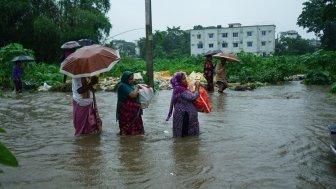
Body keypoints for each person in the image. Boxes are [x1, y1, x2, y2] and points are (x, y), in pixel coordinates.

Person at [166, 72, 201, 137]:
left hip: (182, 114)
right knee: (185, 134)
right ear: (179, 80)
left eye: (185, 78)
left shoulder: (178, 89)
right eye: (183, 79)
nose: (185, 80)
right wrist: (197, 88)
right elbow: (192, 97)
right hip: (184, 115)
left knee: (183, 134)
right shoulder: (180, 89)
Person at [116, 71, 144, 135]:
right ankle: (126, 141)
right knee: (127, 127)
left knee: (135, 129)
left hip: (132, 110)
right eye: (130, 79)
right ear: (125, 79)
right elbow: (133, 95)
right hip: (125, 111)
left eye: (133, 78)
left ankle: (132, 141)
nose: (132, 80)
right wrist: (137, 87)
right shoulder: (122, 86)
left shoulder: (129, 85)